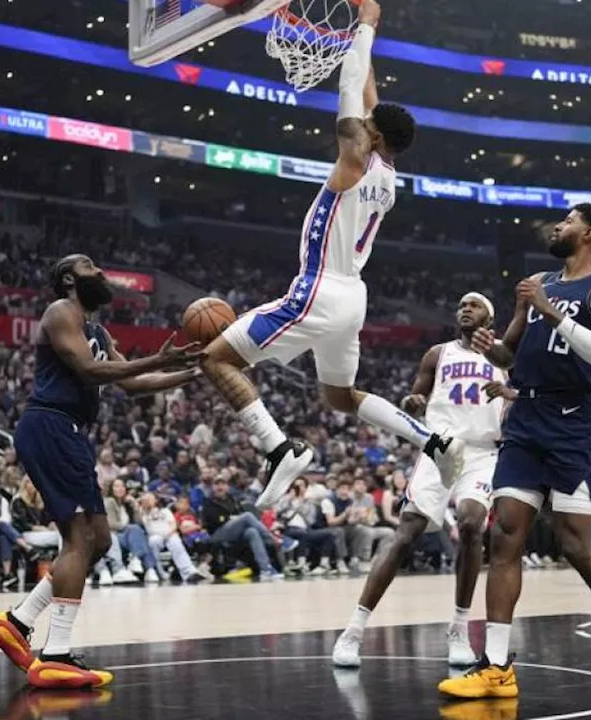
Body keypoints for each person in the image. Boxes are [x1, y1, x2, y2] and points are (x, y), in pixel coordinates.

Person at [197, 0, 462, 509]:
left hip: (318, 289)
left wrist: (362, 27)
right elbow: (368, 94)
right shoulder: (386, 172)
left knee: (215, 358)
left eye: (367, 125)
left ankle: (279, 449)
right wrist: (370, 29)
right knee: (339, 397)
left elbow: (350, 90)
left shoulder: (355, 160)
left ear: (372, 136)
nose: (361, 124)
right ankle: (434, 441)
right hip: (351, 297)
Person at [439, 204, 591, 700]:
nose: (557, 225)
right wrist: (488, 346)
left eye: (568, 219)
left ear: (589, 233)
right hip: (526, 421)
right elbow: (510, 355)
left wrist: (549, 310)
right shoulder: (536, 282)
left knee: (574, 544)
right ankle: (496, 664)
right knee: (505, 537)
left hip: (576, 423)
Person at [0, 253, 202, 689]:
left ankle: (16, 622)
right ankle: (56, 653)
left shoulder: (98, 330)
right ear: (69, 278)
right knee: (80, 539)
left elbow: (131, 383)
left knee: (98, 540)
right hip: (50, 423)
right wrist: (156, 360)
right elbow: (89, 369)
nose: (102, 274)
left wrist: (193, 372)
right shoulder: (61, 311)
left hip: (67, 430)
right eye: (91, 268)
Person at [334, 293, 506, 668]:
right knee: (406, 532)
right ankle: (354, 629)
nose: (464, 308)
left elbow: (519, 394)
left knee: (472, 522)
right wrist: (413, 401)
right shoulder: (437, 354)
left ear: (490, 320)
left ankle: (459, 628)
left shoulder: (503, 356)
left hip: (481, 453)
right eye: (461, 304)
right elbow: (417, 393)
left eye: (474, 305)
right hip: (439, 447)